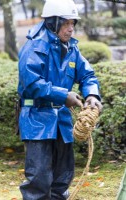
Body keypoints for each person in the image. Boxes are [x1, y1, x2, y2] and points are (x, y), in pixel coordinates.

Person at [17, 0, 103, 199]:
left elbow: (88, 75)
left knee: (63, 176)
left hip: (61, 119)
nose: (71, 29)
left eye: (73, 23)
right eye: (66, 24)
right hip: (36, 119)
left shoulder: (72, 48)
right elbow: (32, 84)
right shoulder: (35, 46)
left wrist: (91, 94)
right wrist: (63, 95)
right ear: (52, 22)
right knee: (38, 178)